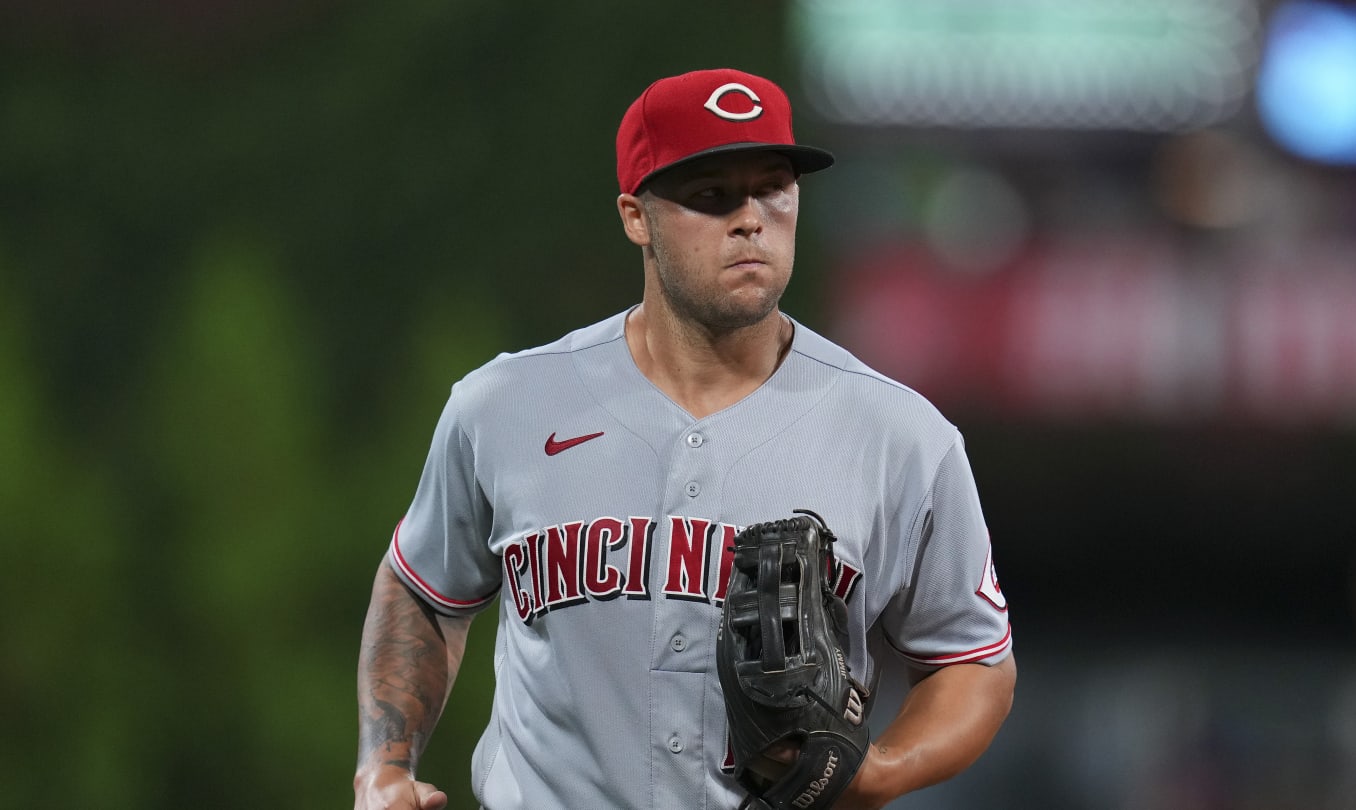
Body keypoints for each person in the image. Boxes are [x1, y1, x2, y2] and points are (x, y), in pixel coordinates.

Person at [353, 67, 1016, 810]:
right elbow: (421, 590)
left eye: (773, 188)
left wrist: (883, 771)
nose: (751, 218)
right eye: (711, 197)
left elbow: (973, 662)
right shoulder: (505, 406)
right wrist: (382, 765)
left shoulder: (901, 437)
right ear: (637, 217)